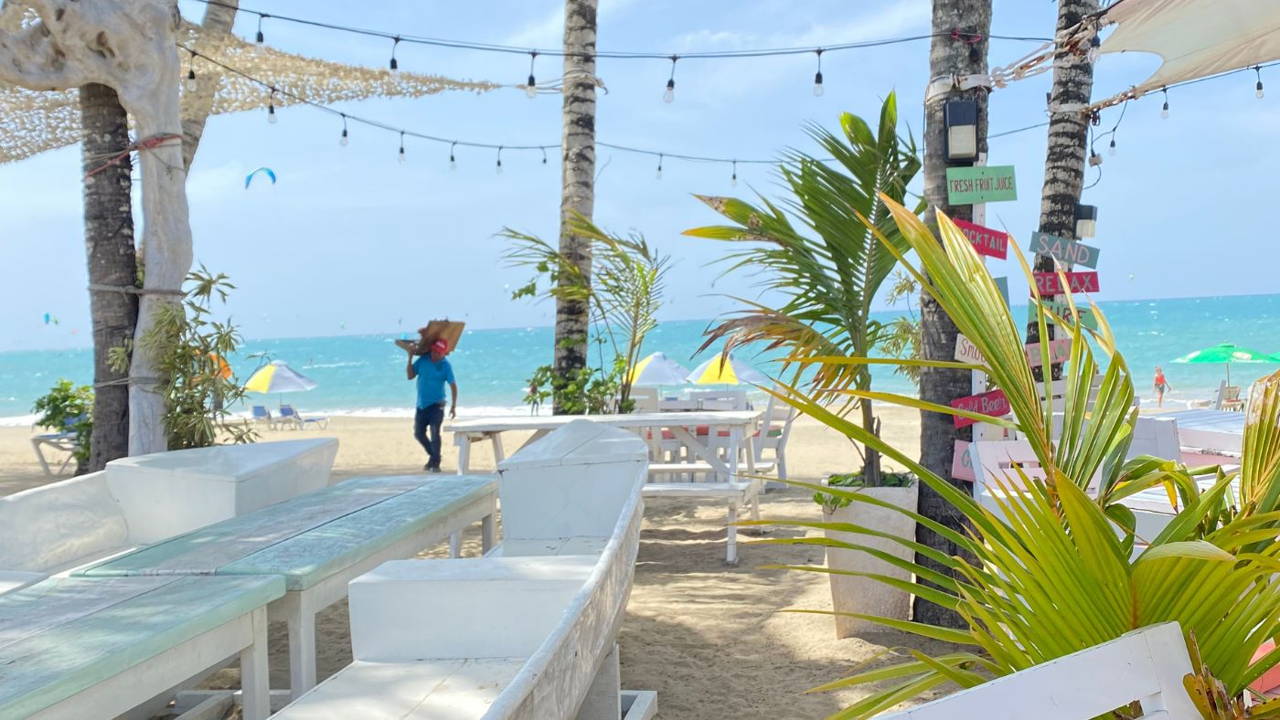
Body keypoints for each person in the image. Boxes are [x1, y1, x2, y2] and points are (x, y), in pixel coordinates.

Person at [406, 338, 457, 472]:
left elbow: (453, 385)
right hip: (422, 405)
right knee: (418, 434)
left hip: (437, 405)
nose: (435, 354)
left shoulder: (446, 365)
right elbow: (410, 375)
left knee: (435, 433)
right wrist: (410, 357)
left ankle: (435, 463)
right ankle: (434, 457)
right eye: (434, 351)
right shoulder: (423, 360)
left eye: (439, 352)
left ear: (444, 353)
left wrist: (453, 406)